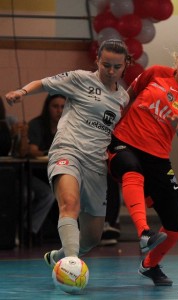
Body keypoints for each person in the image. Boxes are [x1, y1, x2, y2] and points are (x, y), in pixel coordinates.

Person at [5, 39, 142, 272]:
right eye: (105, 64)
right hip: (68, 150)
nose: (110, 71)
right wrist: (22, 91)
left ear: (125, 65)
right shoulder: (80, 79)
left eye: (116, 67)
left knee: (91, 237)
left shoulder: (123, 99)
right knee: (69, 204)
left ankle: (59, 256)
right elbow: (43, 83)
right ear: (97, 60)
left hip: (96, 164)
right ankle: (71, 268)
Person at [108, 35, 178, 286]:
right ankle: (144, 232)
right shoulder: (155, 73)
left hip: (157, 159)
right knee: (131, 169)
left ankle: (150, 265)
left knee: (176, 226)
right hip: (124, 143)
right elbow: (124, 99)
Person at [26, 94, 66, 240]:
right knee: (48, 194)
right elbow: (32, 150)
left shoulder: (69, 126)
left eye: (63, 107)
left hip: (58, 173)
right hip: (34, 174)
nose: (59, 110)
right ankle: (30, 232)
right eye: (55, 106)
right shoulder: (36, 124)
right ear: (47, 108)